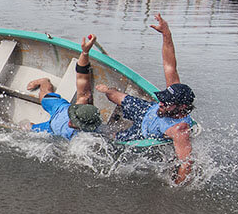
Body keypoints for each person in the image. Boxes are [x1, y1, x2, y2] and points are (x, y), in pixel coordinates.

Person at [96, 14, 195, 184]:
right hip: (147, 110)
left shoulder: (179, 130)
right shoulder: (174, 94)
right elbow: (169, 65)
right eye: (163, 99)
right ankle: (107, 90)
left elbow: (186, 162)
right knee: (113, 95)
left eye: (166, 103)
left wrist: (175, 189)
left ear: (181, 107)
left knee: (111, 138)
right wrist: (166, 34)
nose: (162, 103)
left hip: (143, 131)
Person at [24, 34, 102, 139]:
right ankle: (44, 81)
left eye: (74, 121)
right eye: (73, 116)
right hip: (61, 109)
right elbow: (82, 78)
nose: (71, 120)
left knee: (26, 128)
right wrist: (85, 52)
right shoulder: (83, 101)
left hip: (51, 128)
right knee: (44, 97)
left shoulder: (82, 138)